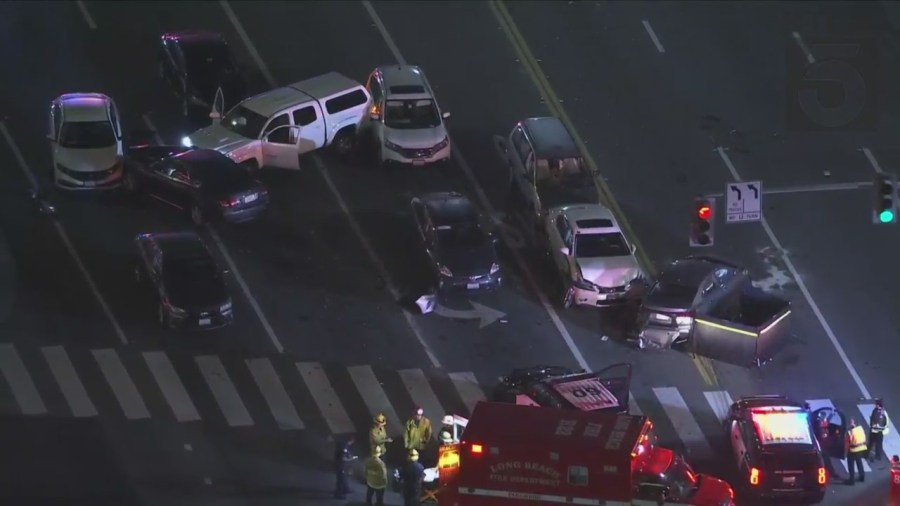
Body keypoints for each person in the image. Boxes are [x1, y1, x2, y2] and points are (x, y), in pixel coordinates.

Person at [845, 418, 868, 485]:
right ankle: (862, 477)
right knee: (859, 462)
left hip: (853, 450)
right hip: (861, 448)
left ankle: (851, 480)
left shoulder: (850, 432)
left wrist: (846, 451)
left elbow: (848, 443)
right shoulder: (860, 428)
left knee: (851, 465)